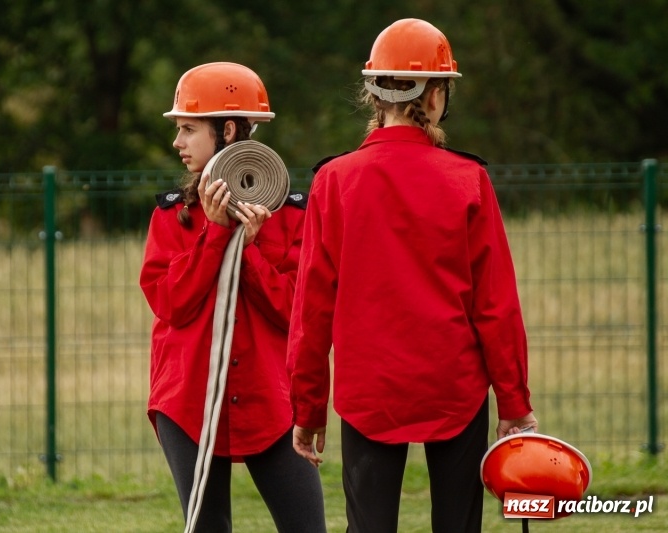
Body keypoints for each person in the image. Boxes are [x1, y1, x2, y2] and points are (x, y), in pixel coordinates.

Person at [287, 19, 537, 533]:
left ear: (373, 94)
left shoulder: (334, 181)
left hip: (369, 390)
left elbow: (311, 309)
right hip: (454, 386)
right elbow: (496, 305)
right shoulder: (469, 179)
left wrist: (308, 407)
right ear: (438, 94)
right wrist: (513, 400)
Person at [140, 62, 327, 533]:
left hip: (272, 402)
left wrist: (249, 250)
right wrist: (217, 234)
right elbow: (172, 303)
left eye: (187, 129)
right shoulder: (172, 217)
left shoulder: (292, 215)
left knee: (307, 526)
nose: (177, 142)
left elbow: (294, 309)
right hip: (188, 403)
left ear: (226, 129)